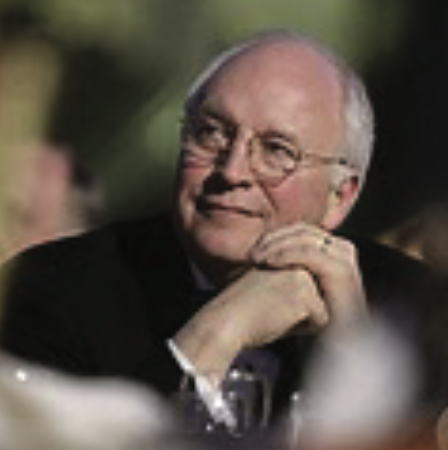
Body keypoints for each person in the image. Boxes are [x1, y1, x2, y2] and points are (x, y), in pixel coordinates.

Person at [0, 30, 444, 442]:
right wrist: (210, 338)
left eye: (276, 151)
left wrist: (354, 356)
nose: (232, 172)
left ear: (339, 197)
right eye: (211, 133)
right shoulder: (49, 290)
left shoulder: (414, 305)